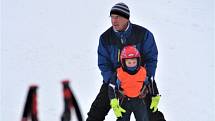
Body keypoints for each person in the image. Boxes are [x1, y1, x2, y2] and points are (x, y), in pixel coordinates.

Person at [86, 2, 165, 121]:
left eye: (117, 17)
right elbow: (104, 63)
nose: (114, 20)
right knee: (96, 112)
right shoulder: (105, 38)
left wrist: (146, 79)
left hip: (140, 80)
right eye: (112, 17)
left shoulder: (144, 34)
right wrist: (115, 83)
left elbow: (151, 58)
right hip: (115, 80)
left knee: (153, 114)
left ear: (126, 18)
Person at [108, 45, 149, 121]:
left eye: (134, 62)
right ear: (123, 62)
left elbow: (149, 83)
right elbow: (111, 87)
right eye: (129, 62)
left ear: (138, 60)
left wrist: (154, 94)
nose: (132, 64)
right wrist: (113, 101)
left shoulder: (143, 71)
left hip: (139, 101)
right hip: (125, 100)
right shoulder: (119, 73)